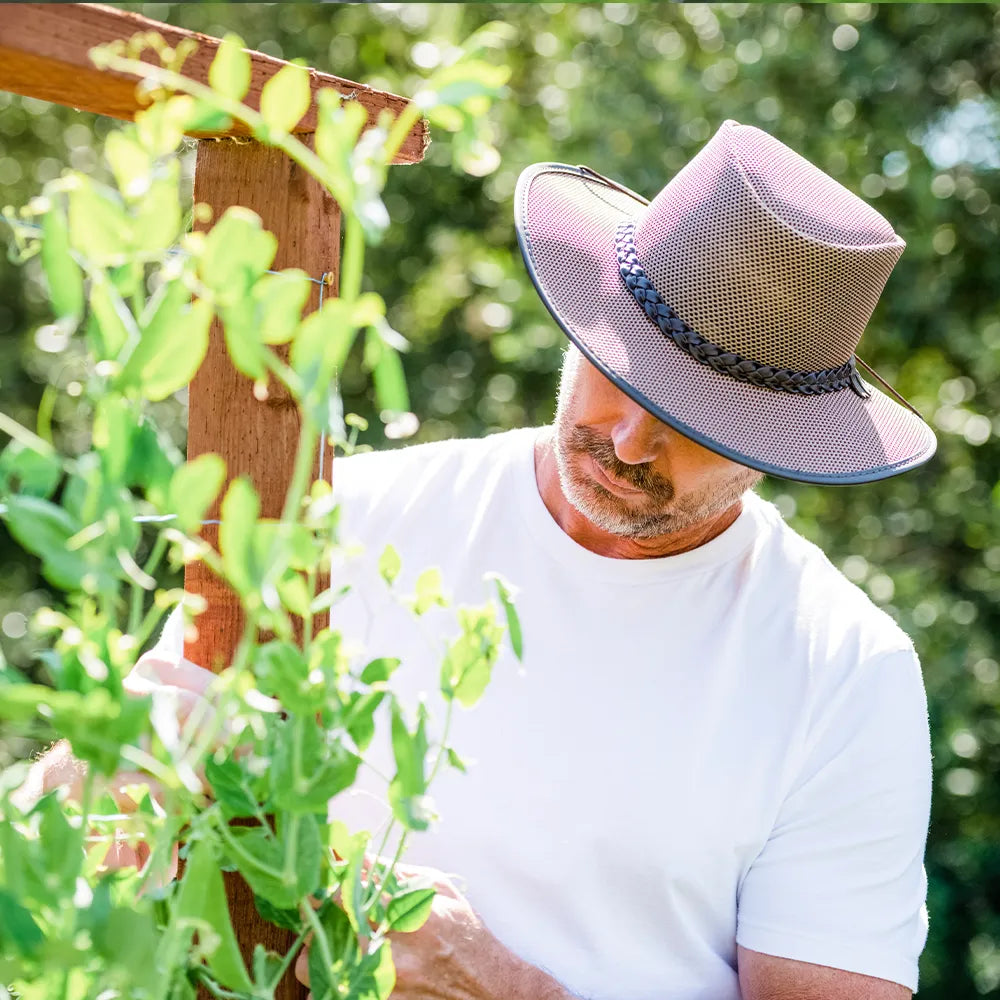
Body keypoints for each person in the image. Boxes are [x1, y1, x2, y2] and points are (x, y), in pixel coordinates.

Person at [23, 121, 937, 1000]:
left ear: (781, 442)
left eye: (695, 423)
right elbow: (75, 824)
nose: (627, 441)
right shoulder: (343, 515)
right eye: (620, 371)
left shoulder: (841, 669)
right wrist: (100, 769)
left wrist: (507, 992)